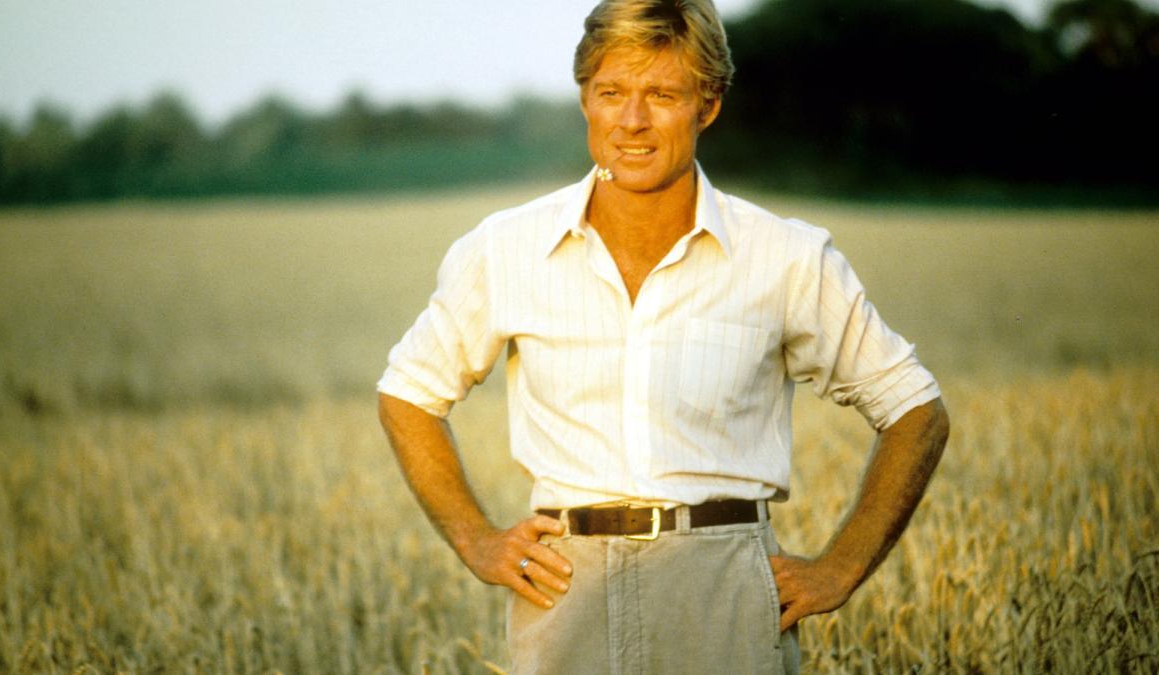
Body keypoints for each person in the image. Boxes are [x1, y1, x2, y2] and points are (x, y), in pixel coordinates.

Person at [377, 0, 950, 672]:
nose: (632, 120)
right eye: (611, 92)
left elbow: (917, 412)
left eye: (662, 94)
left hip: (724, 592)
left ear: (708, 106)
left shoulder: (787, 256)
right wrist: (476, 540)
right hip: (565, 592)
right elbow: (407, 393)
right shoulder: (505, 248)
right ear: (584, 100)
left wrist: (839, 567)